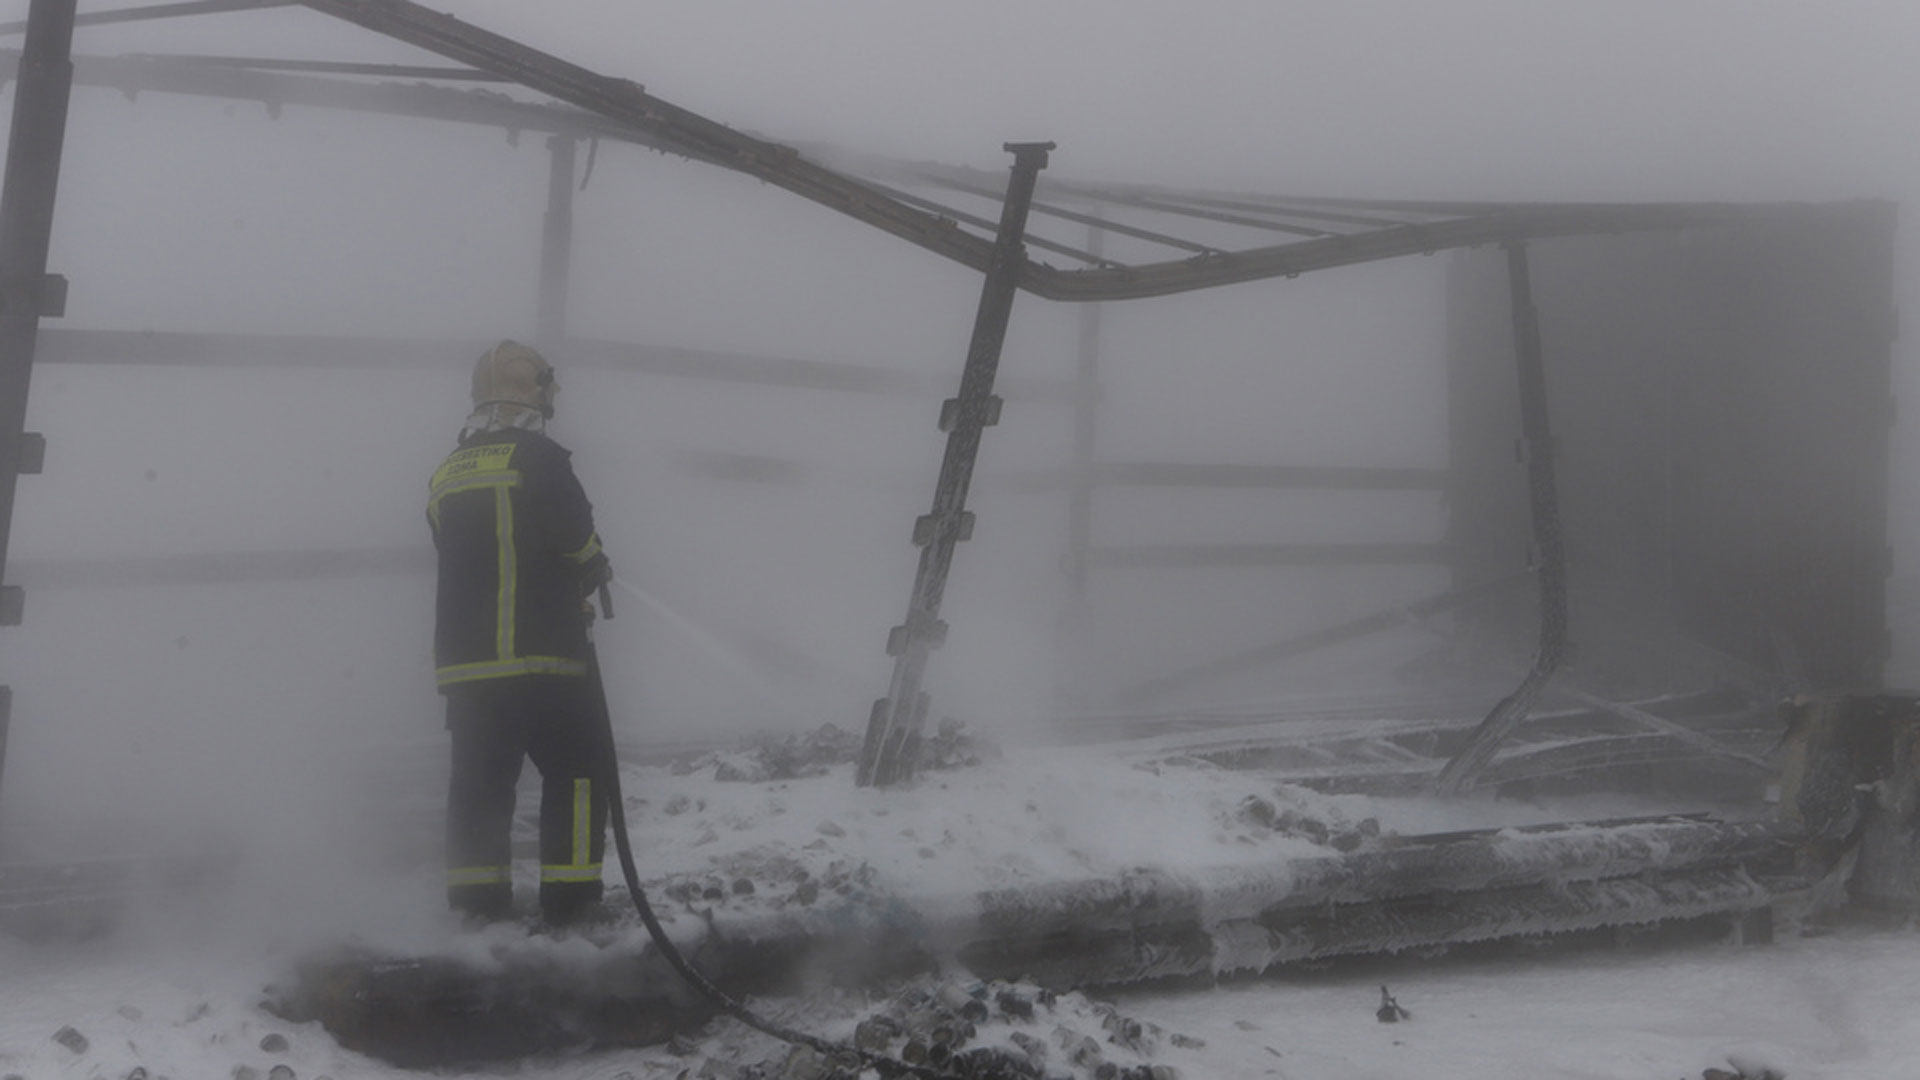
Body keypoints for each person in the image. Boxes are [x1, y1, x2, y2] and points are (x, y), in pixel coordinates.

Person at [427, 340, 614, 926]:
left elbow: (461, 550)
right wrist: (592, 569)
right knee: (580, 774)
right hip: (543, 659)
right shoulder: (540, 458)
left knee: (479, 787)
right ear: (531, 389)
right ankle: (571, 904)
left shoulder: (447, 472)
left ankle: (476, 910)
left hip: (468, 669)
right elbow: (576, 540)